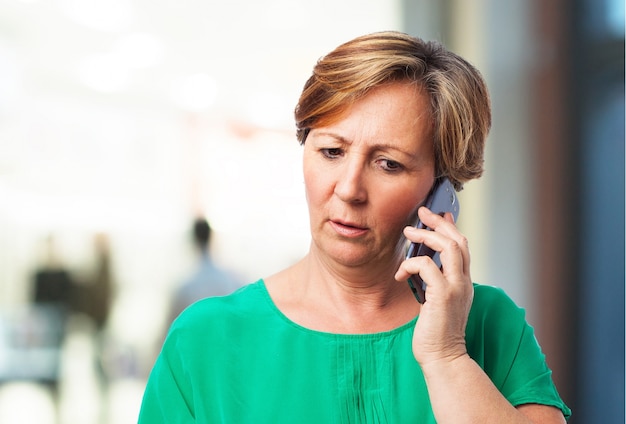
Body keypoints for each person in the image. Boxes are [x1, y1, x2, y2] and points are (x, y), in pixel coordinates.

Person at [138, 31, 571, 423]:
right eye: (331, 151)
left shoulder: (489, 325)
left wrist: (446, 357)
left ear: (441, 190)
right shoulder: (205, 341)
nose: (348, 189)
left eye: (388, 164)